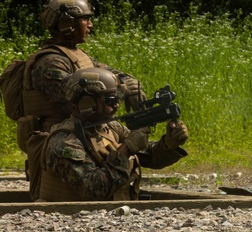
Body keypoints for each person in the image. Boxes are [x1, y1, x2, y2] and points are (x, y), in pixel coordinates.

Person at [15, 0, 145, 200]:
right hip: (62, 137)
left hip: (88, 132)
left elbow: (111, 75)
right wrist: (121, 90)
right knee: (78, 191)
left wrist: (130, 84)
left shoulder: (78, 56)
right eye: (86, 19)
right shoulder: (49, 63)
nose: (90, 25)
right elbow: (80, 95)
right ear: (68, 24)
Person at [37, 66, 188, 201]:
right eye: (110, 100)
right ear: (86, 102)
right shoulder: (64, 141)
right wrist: (125, 150)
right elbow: (94, 189)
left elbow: (149, 157)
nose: (117, 104)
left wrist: (169, 144)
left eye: (118, 99)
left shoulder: (110, 128)